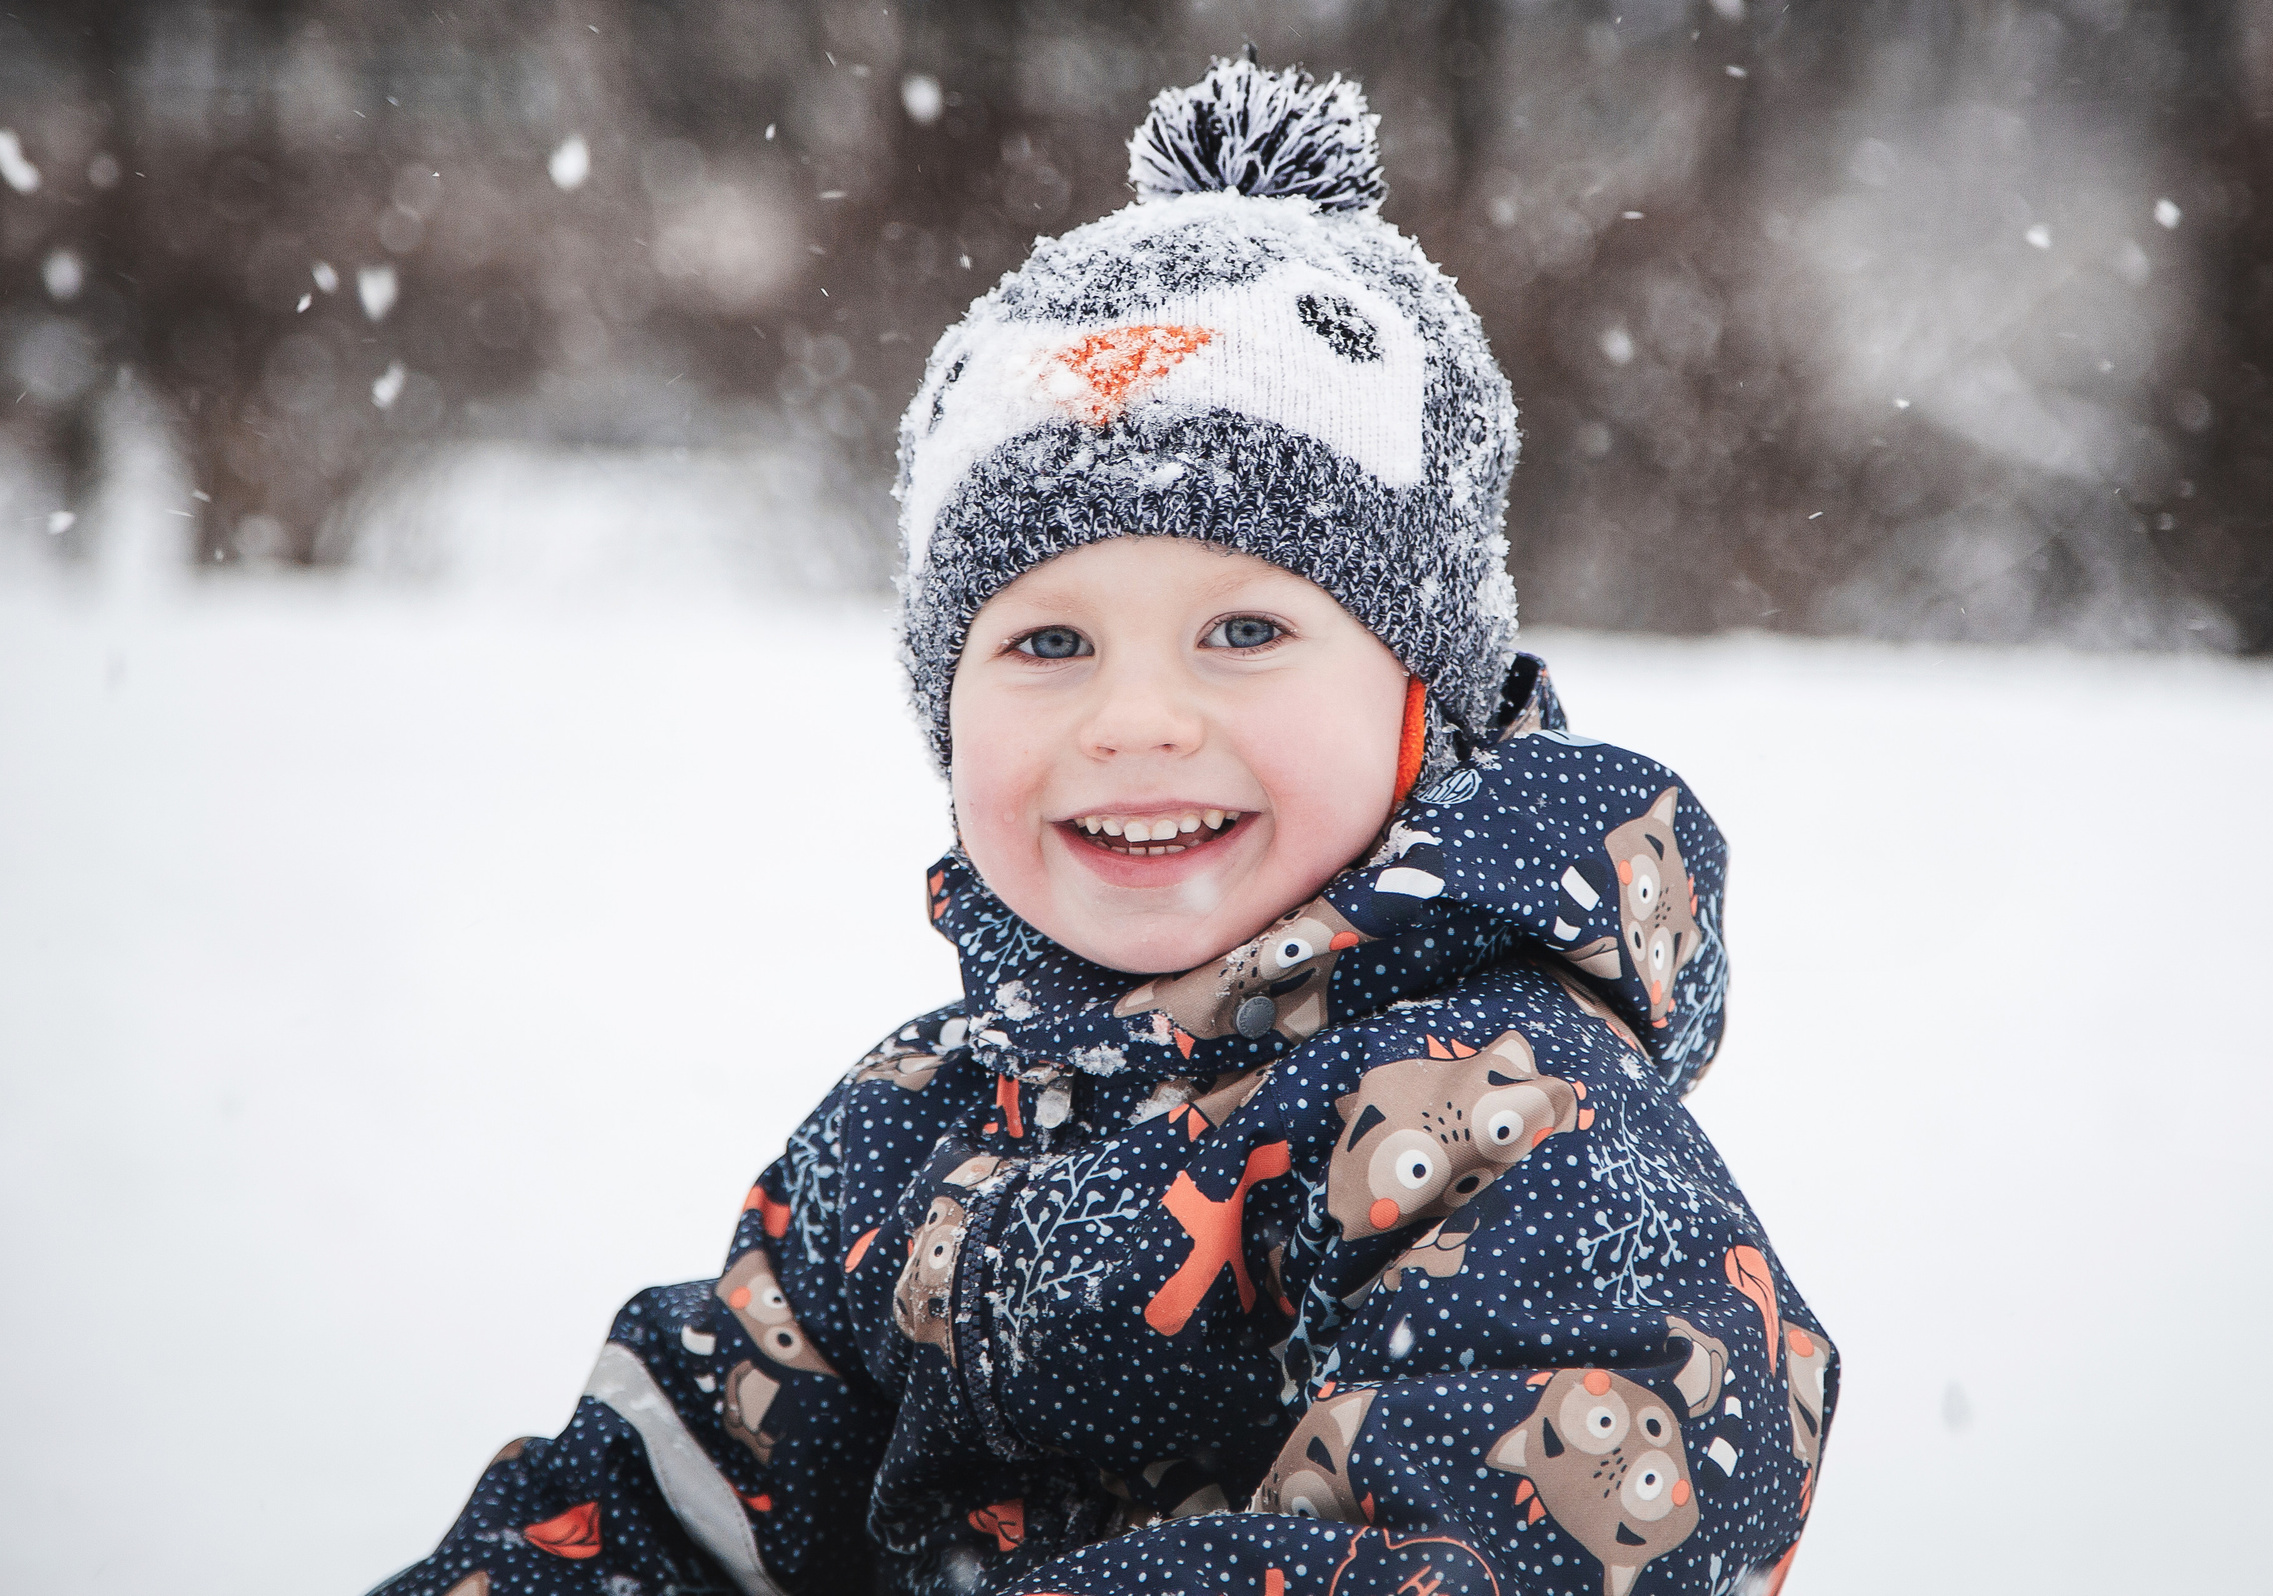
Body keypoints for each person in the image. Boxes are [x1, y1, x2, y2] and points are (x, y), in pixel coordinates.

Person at [376, 57, 1835, 1596]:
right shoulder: (910, 1126)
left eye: (1246, 634)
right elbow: (661, 1499)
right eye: (1049, 645)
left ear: (1428, 706)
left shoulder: (1523, 1128)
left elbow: (1500, 1544)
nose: (1134, 722)